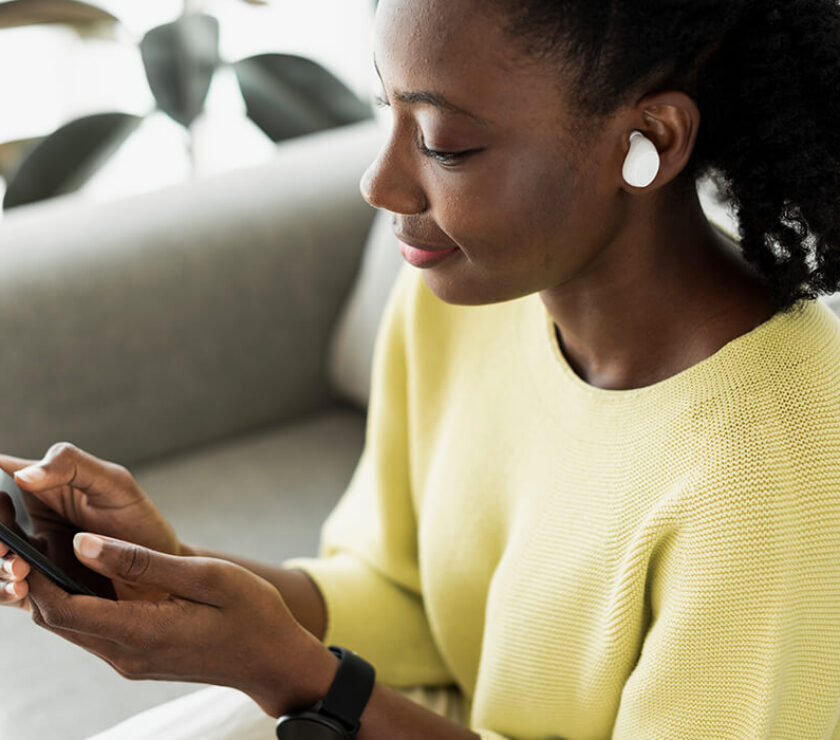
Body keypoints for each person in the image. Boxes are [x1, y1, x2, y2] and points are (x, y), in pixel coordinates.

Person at [3, 0, 840, 737]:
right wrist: (168, 572)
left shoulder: (776, 470)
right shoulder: (463, 289)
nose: (380, 182)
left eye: (446, 144)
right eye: (385, 109)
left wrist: (291, 676)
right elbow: (401, 596)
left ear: (650, 138)